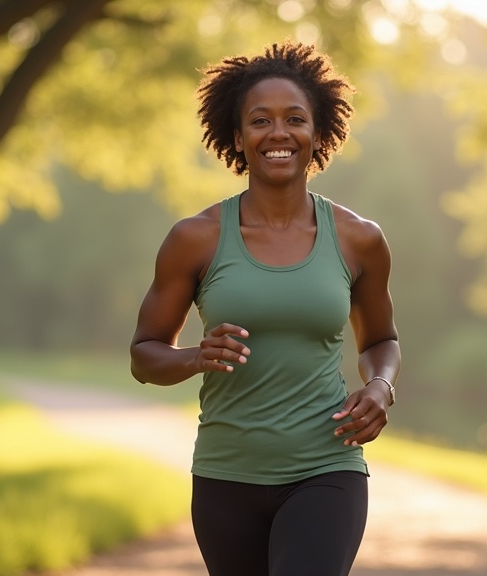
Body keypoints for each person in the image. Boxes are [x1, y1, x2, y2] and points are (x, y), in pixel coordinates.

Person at [129, 41, 401, 576]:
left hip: (326, 468)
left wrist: (380, 385)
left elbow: (380, 341)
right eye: (260, 120)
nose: (278, 133)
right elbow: (144, 355)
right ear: (237, 138)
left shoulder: (359, 239)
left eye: (294, 119)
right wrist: (194, 357)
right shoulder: (196, 239)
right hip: (226, 476)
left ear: (318, 134)